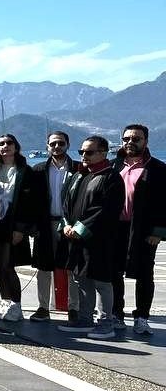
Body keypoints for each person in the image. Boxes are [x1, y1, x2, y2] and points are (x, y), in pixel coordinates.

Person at [57, 136, 126, 339]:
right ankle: (85, 319)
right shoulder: (81, 176)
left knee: (102, 281)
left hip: (100, 240)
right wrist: (67, 225)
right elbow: (67, 204)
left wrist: (80, 228)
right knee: (80, 278)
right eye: (81, 152)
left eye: (89, 152)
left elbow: (104, 210)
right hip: (77, 239)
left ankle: (106, 322)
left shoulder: (111, 178)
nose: (84, 156)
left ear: (103, 153)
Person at [113, 124, 165, 336]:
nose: (130, 142)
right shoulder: (114, 166)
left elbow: (165, 203)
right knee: (114, 272)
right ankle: (116, 313)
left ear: (146, 141)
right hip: (116, 229)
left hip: (144, 230)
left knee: (145, 273)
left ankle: (142, 317)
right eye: (126, 138)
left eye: (136, 139)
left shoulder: (158, 169)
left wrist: (159, 231)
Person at [26, 131, 77, 323]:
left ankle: (74, 308)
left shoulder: (79, 169)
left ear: (68, 144)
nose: (57, 147)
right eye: (53, 144)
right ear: (47, 146)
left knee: (71, 267)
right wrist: (32, 226)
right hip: (44, 225)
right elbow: (30, 200)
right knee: (43, 268)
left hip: (69, 225)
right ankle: (42, 307)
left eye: (61, 143)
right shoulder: (38, 170)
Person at [0, 134, 31, 322]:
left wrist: (21, 228)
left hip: (13, 225)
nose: (5, 146)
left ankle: (16, 306)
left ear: (16, 146)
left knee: (9, 264)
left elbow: (29, 203)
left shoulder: (25, 171)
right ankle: (4, 301)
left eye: (9, 143)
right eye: (1, 144)